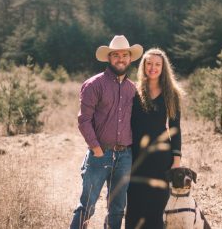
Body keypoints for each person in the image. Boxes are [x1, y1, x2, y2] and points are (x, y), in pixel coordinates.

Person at [70, 35, 143, 229]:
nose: (121, 59)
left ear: (130, 58)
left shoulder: (132, 89)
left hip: (125, 156)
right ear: (109, 58)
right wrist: (96, 149)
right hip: (99, 154)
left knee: (118, 208)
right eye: (116, 55)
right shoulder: (94, 84)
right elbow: (83, 120)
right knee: (86, 207)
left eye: (125, 55)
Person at [125, 48, 183, 229]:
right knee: (134, 205)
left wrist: (176, 160)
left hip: (161, 158)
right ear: (143, 66)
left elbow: (175, 128)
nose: (153, 67)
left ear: (163, 68)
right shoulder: (133, 91)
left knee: (157, 206)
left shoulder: (171, 93)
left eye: (157, 64)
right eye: (149, 63)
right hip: (136, 156)